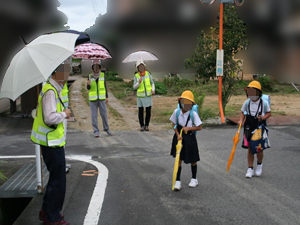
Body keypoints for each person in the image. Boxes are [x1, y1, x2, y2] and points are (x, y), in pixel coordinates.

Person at [31, 61, 72, 225]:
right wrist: (64, 114)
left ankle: (47, 211)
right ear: (56, 73)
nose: (67, 74)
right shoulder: (50, 91)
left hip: (52, 141)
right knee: (58, 181)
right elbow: (50, 118)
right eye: (64, 71)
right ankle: (52, 217)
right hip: (50, 143)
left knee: (56, 179)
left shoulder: (54, 88)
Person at [169, 90, 202, 191]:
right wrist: (178, 135)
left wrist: (189, 128)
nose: (186, 105)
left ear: (192, 104)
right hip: (179, 138)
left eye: (189, 103)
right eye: (184, 102)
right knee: (179, 159)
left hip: (190, 138)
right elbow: (174, 125)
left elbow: (199, 127)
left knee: (193, 159)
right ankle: (178, 181)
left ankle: (194, 178)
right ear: (180, 102)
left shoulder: (193, 114)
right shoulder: (177, 112)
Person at [239, 81, 271, 178]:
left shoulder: (264, 103)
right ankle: (250, 168)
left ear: (258, 93)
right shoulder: (247, 102)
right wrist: (241, 120)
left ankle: (259, 164)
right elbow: (243, 112)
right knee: (250, 148)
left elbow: (269, 113)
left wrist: (263, 118)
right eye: (249, 92)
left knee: (258, 148)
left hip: (259, 126)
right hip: (249, 126)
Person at [87, 59, 113, 137]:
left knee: (104, 114)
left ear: (99, 68)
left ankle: (106, 129)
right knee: (94, 116)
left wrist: (107, 97)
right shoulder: (89, 76)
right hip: (93, 100)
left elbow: (105, 86)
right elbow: (88, 88)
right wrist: (88, 84)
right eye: (94, 67)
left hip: (102, 99)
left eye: (97, 67)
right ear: (92, 68)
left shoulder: (102, 75)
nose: (96, 69)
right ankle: (96, 131)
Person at [133, 60, 155, 131]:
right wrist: (138, 83)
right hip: (140, 96)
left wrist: (153, 90)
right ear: (138, 68)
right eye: (140, 67)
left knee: (148, 111)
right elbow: (134, 87)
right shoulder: (136, 76)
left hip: (148, 95)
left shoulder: (148, 74)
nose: (141, 68)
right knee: (141, 111)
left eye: (142, 66)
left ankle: (147, 125)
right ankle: (142, 125)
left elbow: (152, 83)